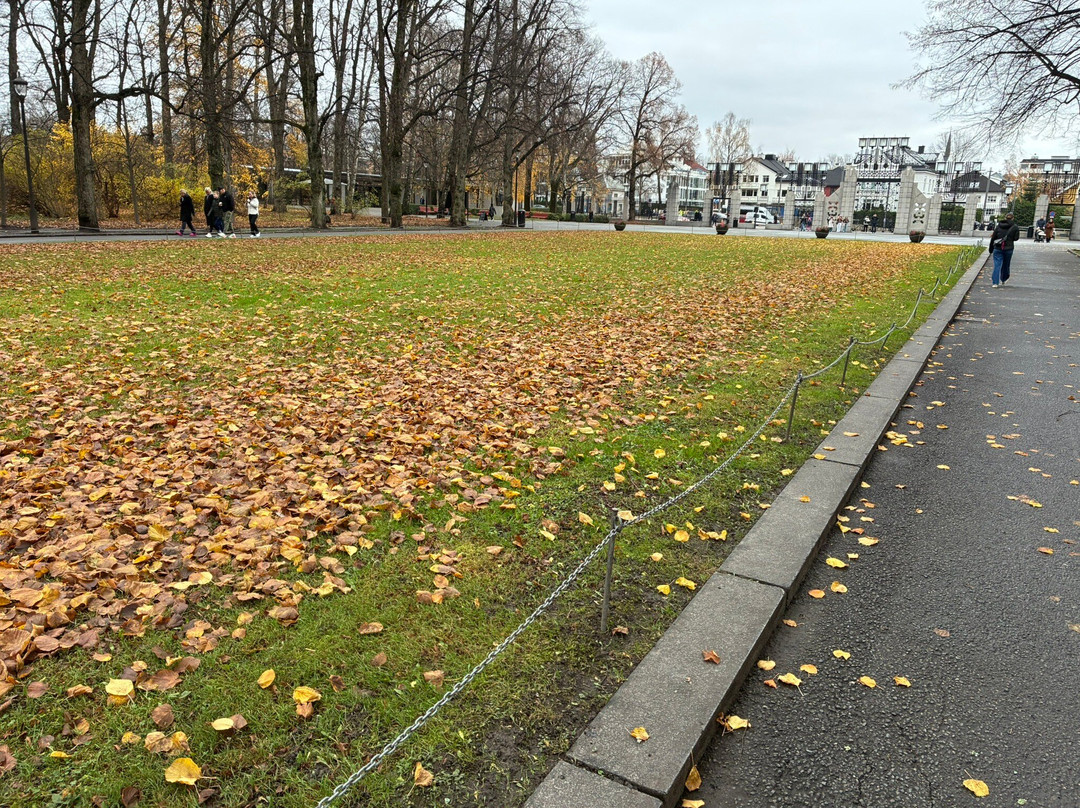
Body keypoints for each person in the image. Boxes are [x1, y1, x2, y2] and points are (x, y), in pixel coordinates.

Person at [988, 211, 1020, 287]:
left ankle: (995, 283)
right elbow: (1016, 238)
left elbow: (993, 237)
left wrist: (991, 248)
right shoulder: (1015, 227)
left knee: (997, 265)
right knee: (1006, 264)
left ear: (1005, 218)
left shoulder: (999, 226)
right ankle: (1004, 279)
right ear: (1013, 218)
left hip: (998, 248)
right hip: (1008, 248)